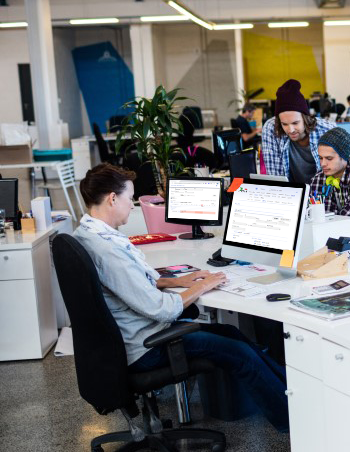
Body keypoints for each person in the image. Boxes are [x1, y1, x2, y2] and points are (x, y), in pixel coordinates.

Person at [74, 163, 289, 432]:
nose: (132, 205)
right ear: (112, 198)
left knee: (231, 333)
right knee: (239, 353)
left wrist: (177, 281)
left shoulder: (88, 235)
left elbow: (128, 283)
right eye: (130, 199)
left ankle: (290, 393)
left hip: (128, 337)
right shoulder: (107, 250)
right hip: (146, 347)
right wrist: (201, 287)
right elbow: (160, 309)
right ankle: (291, 420)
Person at [261, 79, 335, 183]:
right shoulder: (271, 128)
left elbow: (338, 174)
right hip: (291, 193)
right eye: (284, 124)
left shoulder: (327, 130)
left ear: (305, 118)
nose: (290, 130)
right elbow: (276, 178)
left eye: (295, 123)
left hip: (322, 194)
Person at [309, 127, 350, 225]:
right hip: (329, 232)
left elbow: (349, 221)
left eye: (329, 158)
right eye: (320, 158)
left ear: (345, 157)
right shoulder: (318, 178)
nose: (323, 164)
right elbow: (320, 218)